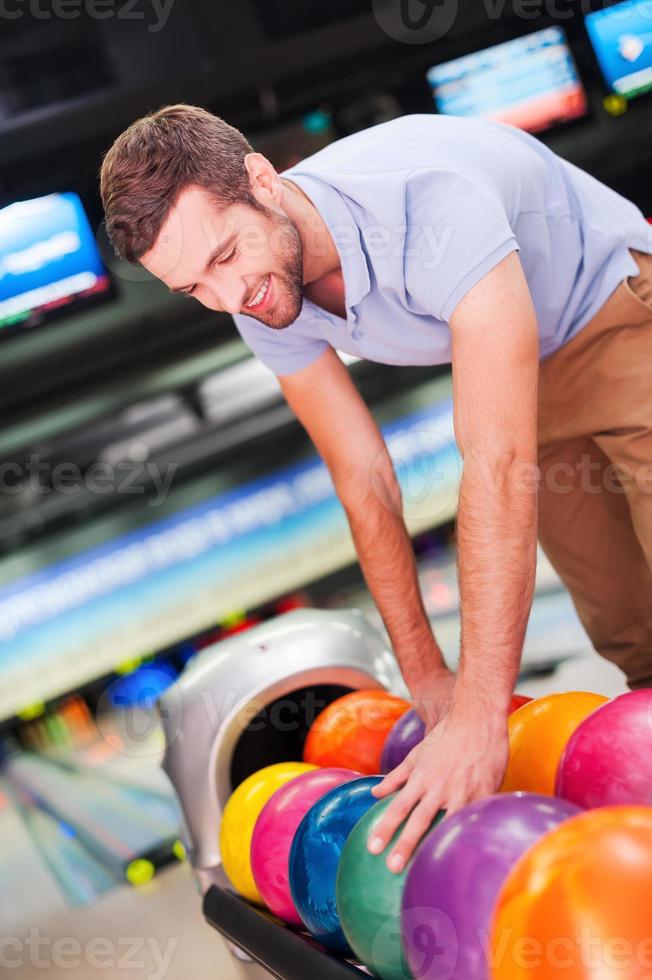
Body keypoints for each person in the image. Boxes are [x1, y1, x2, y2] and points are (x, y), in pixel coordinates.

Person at [100, 104, 652, 873]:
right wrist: (428, 679)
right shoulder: (260, 292)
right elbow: (363, 481)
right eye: (192, 286)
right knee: (635, 635)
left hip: (618, 311)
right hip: (530, 368)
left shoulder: (427, 204)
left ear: (263, 180)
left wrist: (481, 715)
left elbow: (495, 463)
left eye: (225, 256)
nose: (228, 298)